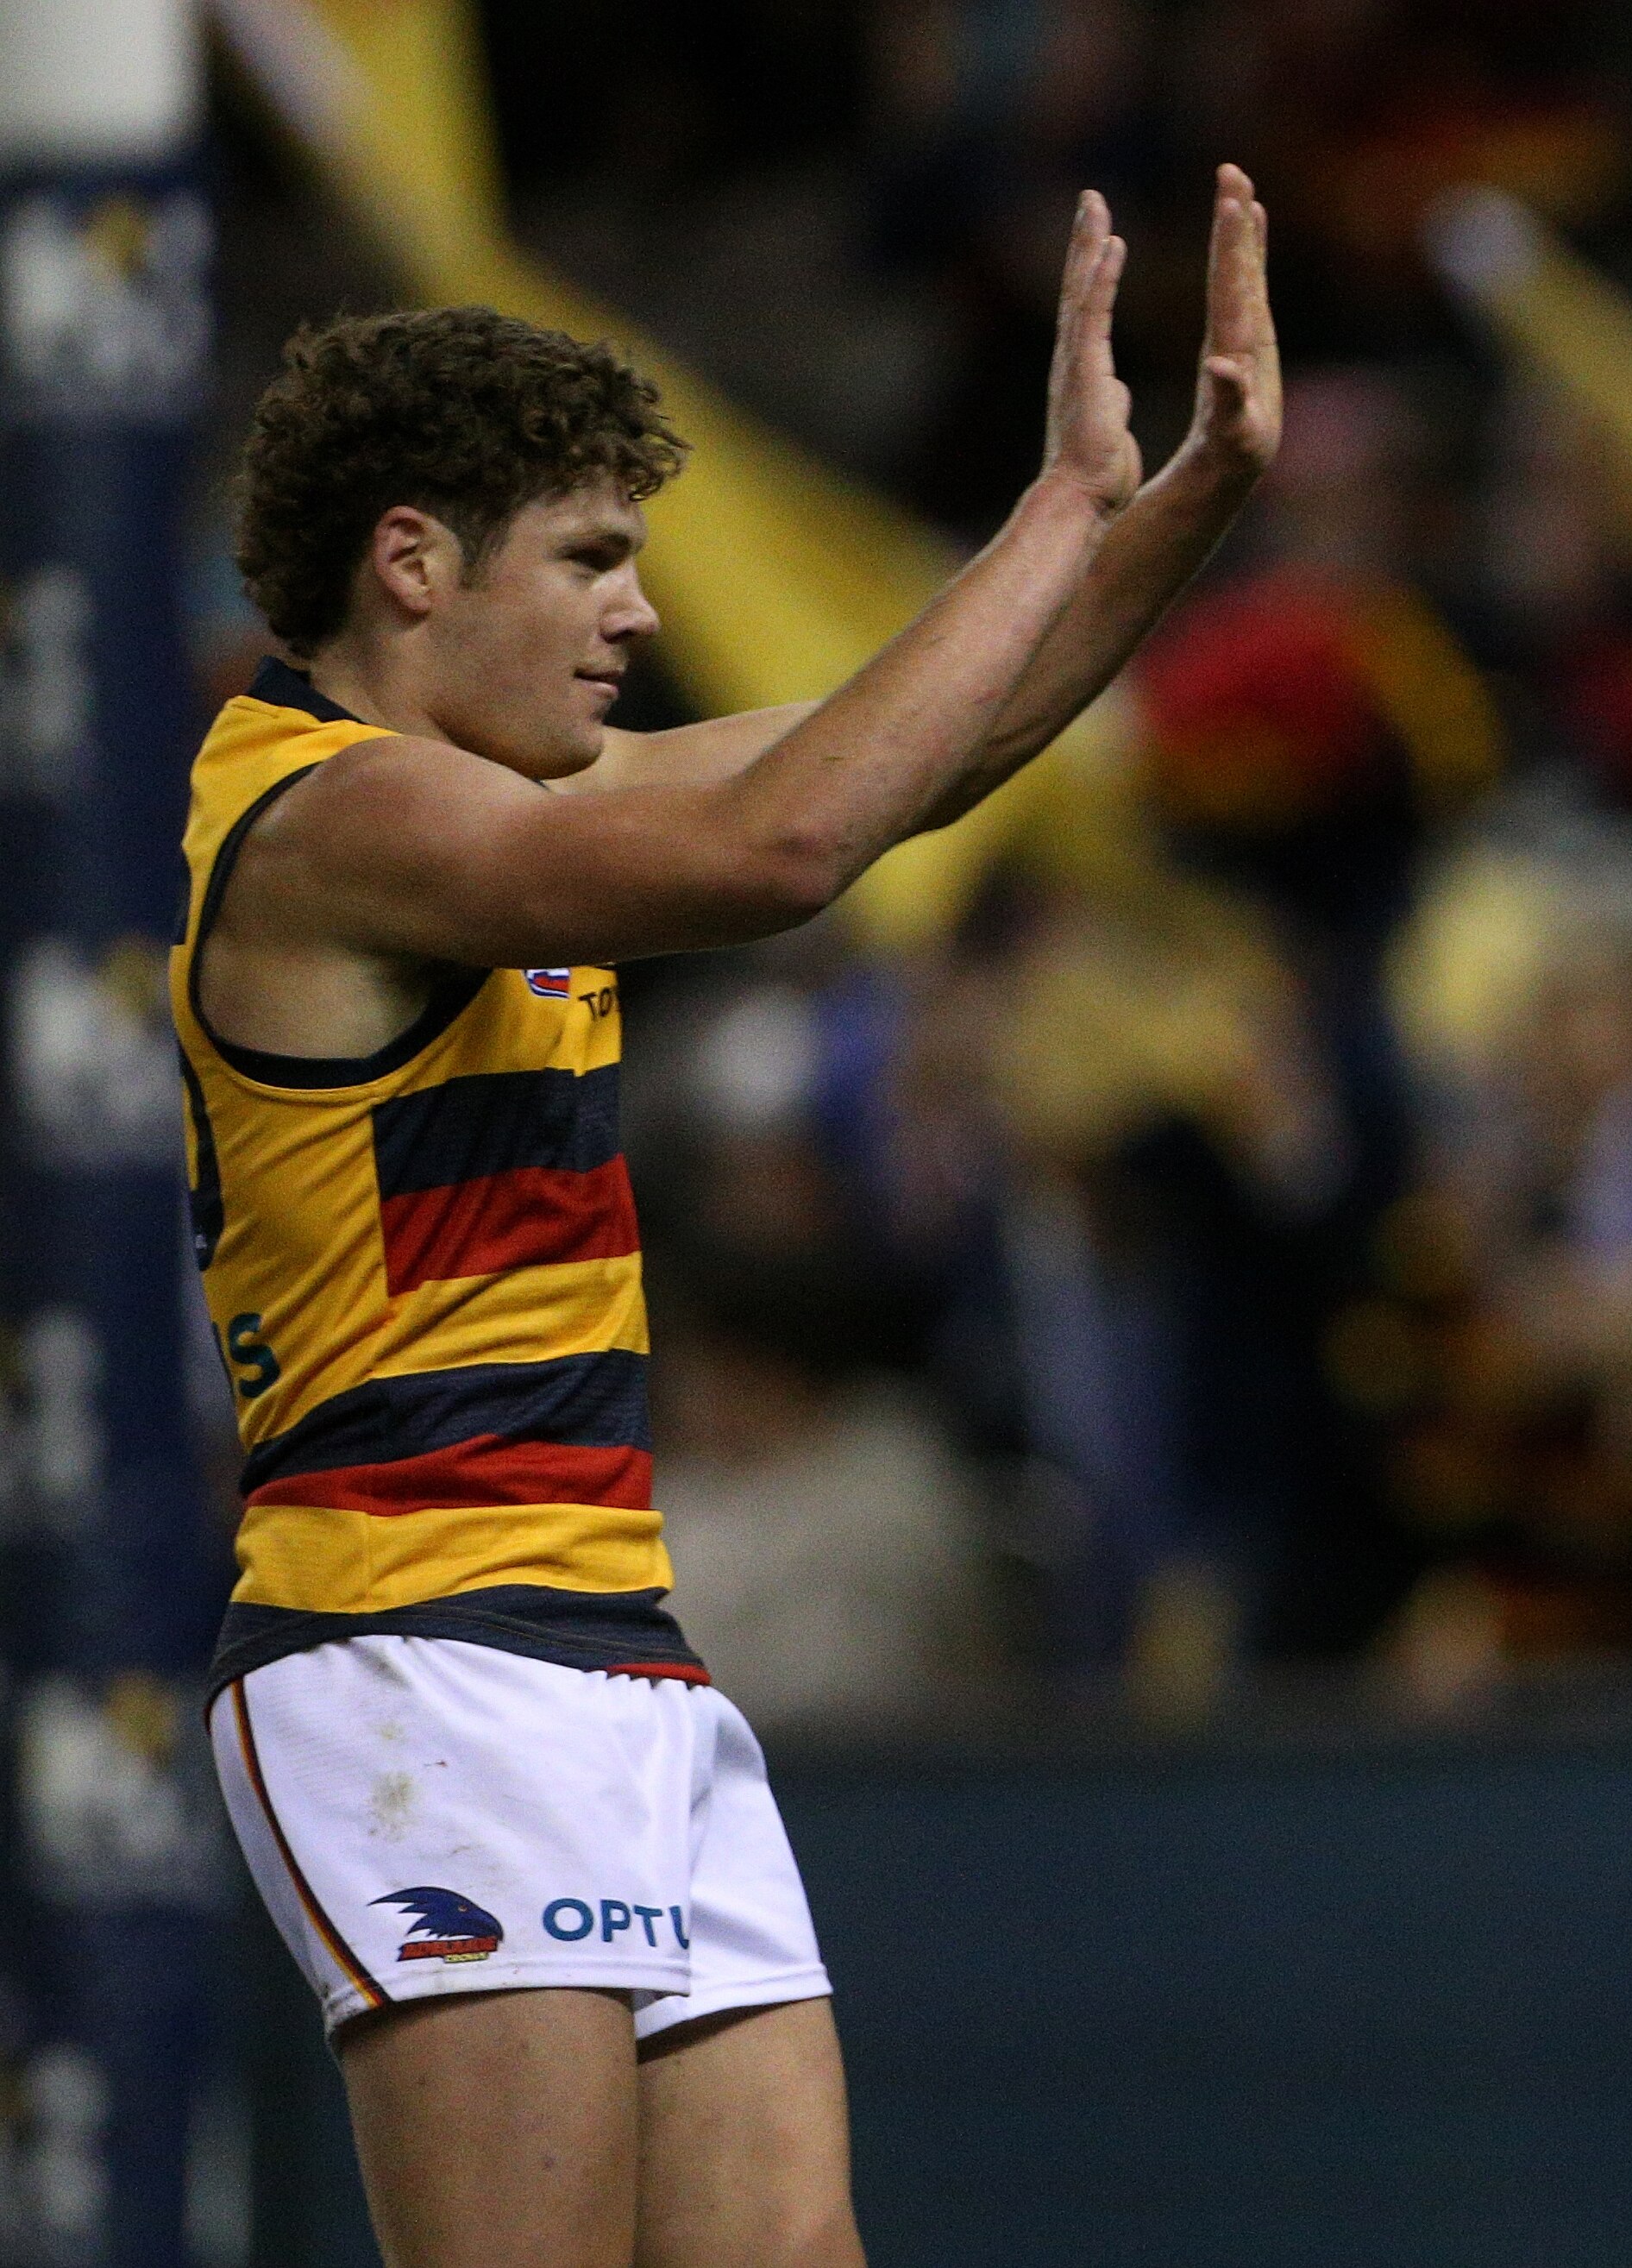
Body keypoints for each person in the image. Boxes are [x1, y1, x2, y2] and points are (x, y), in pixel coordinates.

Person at [181, 170, 1280, 2268]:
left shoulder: (505, 811)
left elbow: (911, 777)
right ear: (411, 564)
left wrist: (1184, 507)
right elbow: (790, 841)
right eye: (592, 559)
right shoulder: (331, 817)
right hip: (419, 1654)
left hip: (617, 1654)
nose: (641, 614)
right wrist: (1055, 503)